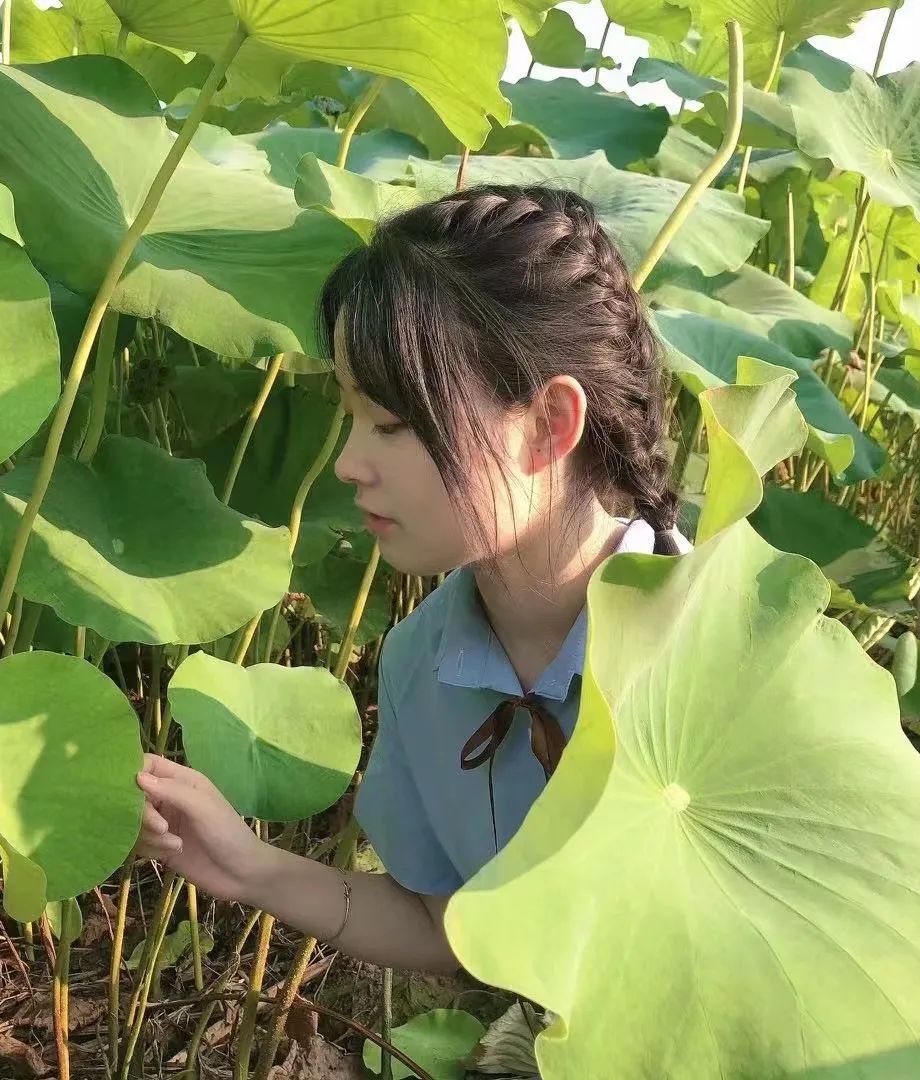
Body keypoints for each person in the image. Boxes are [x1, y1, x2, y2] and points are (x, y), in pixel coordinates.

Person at [134, 184, 690, 975]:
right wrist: (248, 868)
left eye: (392, 424)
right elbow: (444, 927)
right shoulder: (417, 661)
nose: (347, 464)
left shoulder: (718, 639)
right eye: (352, 418)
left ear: (548, 426)